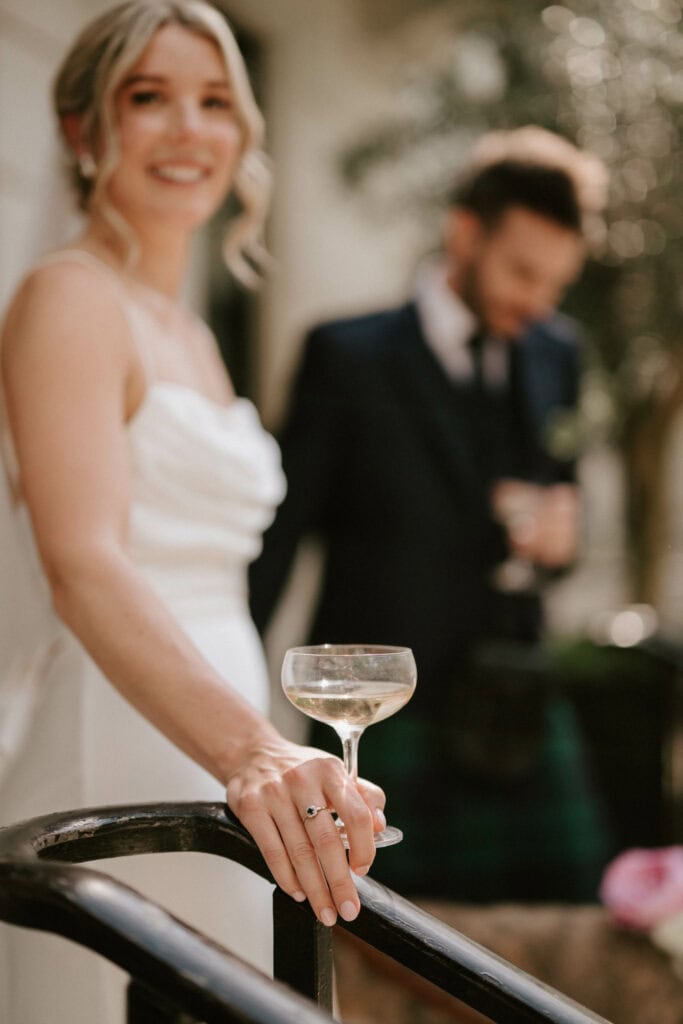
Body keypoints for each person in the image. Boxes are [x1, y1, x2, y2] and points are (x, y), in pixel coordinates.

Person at [0, 3, 386, 1020]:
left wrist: (256, 749)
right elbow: (81, 561)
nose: (187, 130)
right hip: (117, 734)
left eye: (214, 102)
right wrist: (253, 749)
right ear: (83, 131)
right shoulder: (67, 297)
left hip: (220, 735)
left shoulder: (189, 330)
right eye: (147, 98)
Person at [250, 126, 615, 903]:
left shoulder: (558, 353)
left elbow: (552, 522)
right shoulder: (345, 354)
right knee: (367, 944)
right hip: (379, 715)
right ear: (464, 232)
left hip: (514, 697)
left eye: (556, 283)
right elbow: (276, 542)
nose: (538, 301)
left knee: (554, 936)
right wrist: (243, 708)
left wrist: (559, 543)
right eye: (522, 272)